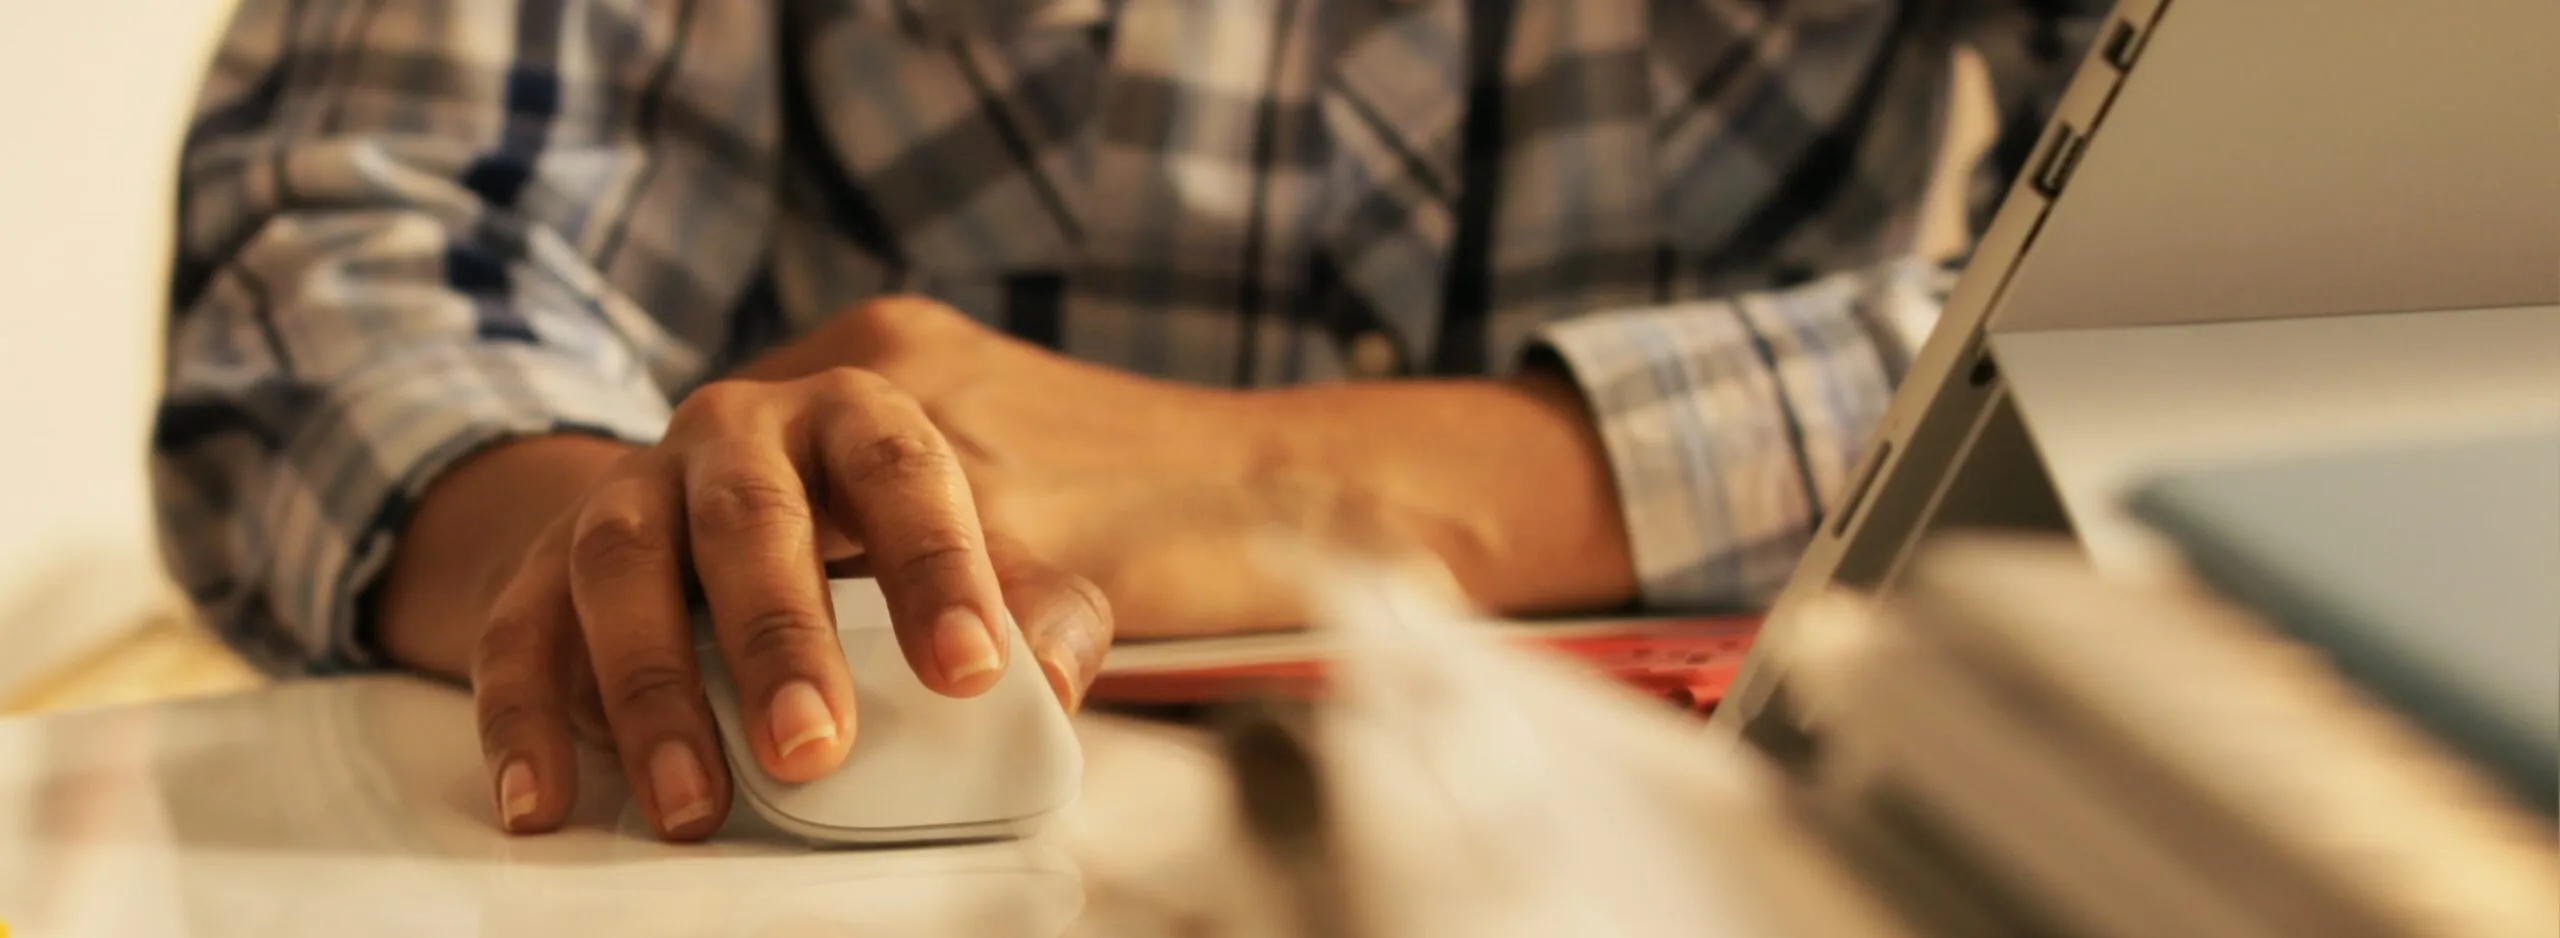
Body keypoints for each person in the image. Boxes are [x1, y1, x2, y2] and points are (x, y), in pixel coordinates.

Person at [154, 0, 2102, 840]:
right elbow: (355, 233)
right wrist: (629, 540)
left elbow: (2246, 275)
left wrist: (1332, 488)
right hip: (852, 802)